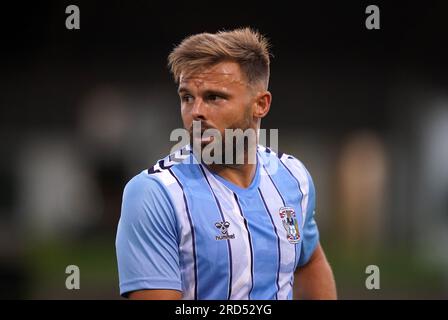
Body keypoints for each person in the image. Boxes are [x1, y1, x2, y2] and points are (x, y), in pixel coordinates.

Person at [115, 28, 337, 300]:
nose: (196, 111)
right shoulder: (154, 194)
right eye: (187, 98)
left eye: (213, 97)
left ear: (260, 105)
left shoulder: (293, 177)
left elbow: (310, 262)